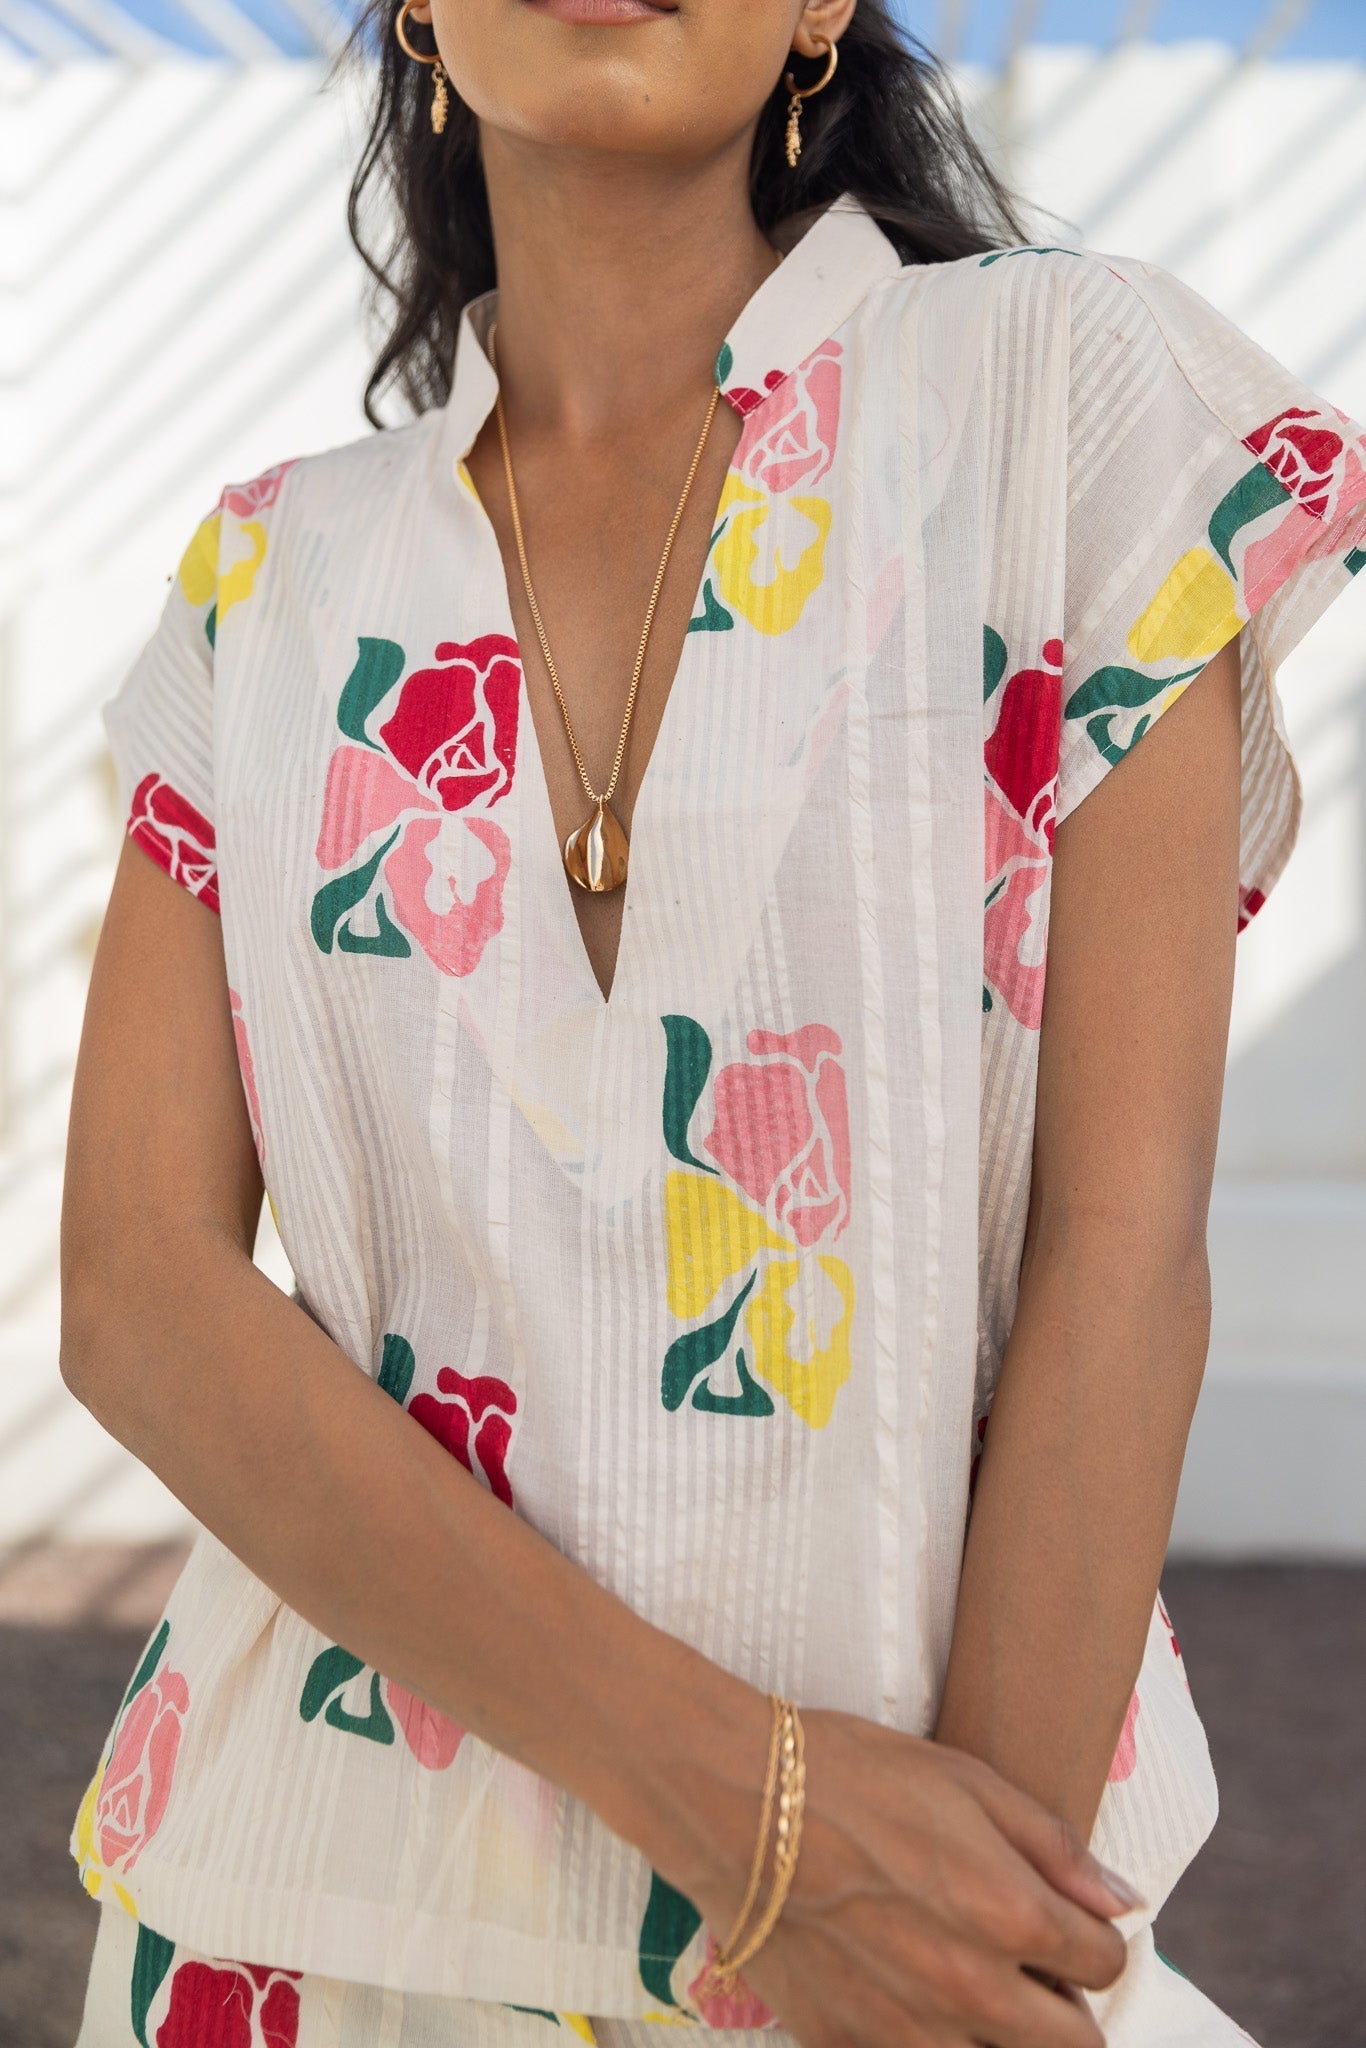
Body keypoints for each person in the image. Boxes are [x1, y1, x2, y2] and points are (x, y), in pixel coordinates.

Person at [58, 1, 1366, 2043]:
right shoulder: (264, 580)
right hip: (305, 1921)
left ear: (821, 8)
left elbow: (1121, 1242)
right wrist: (756, 1823)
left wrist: (952, 1944)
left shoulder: (1063, 400)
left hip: (928, 1910)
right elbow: (140, 1295)